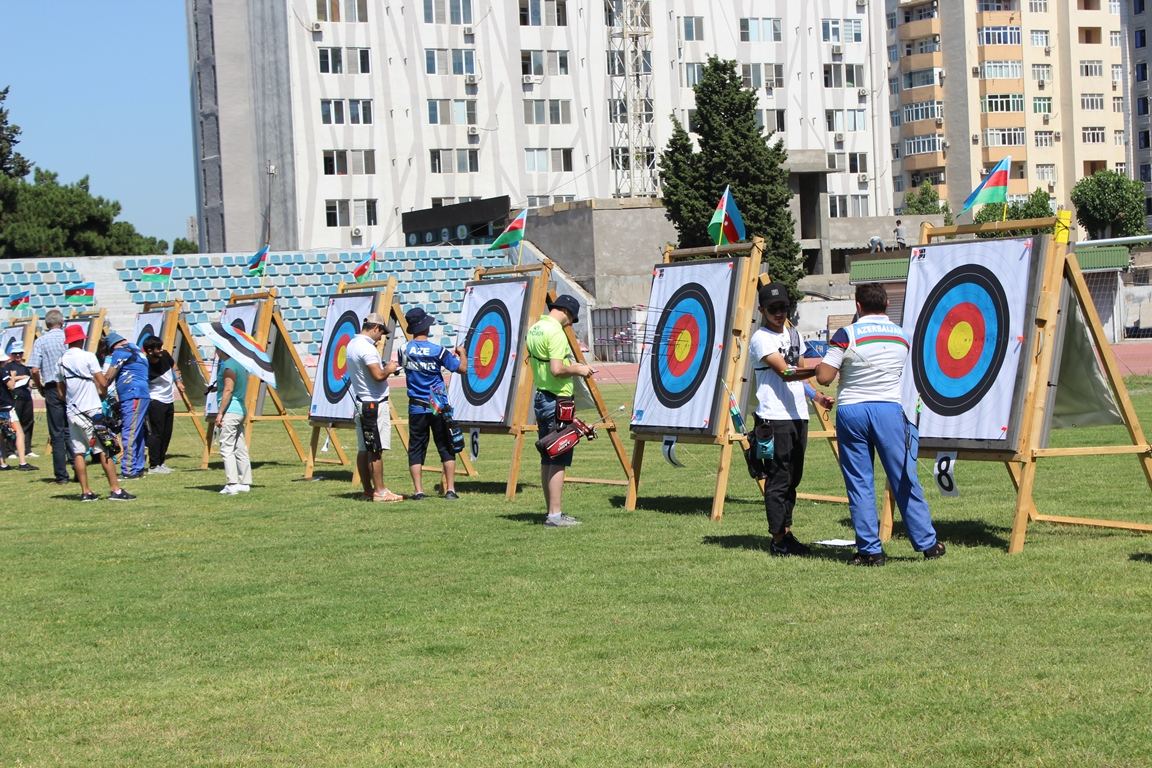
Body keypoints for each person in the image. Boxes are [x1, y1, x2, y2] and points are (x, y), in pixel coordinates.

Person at [816, 283, 945, 565]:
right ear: (887, 304)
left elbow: (825, 377)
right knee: (903, 477)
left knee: (859, 482)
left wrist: (818, 366)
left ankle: (870, 550)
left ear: (858, 306)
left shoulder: (846, 334)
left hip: (852, 411)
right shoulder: (902, 336)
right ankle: (928, 543)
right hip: (888, 408)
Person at [748, 283, 833, 556]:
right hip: (774, 418)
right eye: (773, 308)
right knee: (778, 479)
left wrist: (817, 397)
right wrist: (820, 370)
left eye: (784, 307)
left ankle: (787, 532)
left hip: (797, 416)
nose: (779, 313)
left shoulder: (794, 334)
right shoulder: (760, 338)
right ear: (762, 310)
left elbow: (801, 377)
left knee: (793, 479)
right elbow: (786, 373)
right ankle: (777, 539)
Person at [525, 294, 594, 527]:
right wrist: (578, 369)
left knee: (547, 456)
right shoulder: (555, 332)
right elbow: (556, 369)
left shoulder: (536, 328)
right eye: (571, 319)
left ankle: (551, 512)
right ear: (566, 311)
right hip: (557, 400)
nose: (570, 324)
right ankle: (554, 515)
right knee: (558, 456)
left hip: (542, 397)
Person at [58, 324, 134, 501]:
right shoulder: (88, 356)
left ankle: (86, 492)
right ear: (80, 339)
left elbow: (61, 392)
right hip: (92, 410)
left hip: (73, 411)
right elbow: (104, 382)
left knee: (78, 452)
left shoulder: (61, 361)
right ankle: (115, 490)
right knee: (105, 450)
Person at [399, 307, 467, 500]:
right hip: (438, 406)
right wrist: (462, 353)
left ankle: (418, 491)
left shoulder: (403, 349)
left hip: (416, 407)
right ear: (426, 327)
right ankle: (450, 490)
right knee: (446, 446)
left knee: (416, 448)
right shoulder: (439, 351)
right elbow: (461, 369)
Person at [346, 312, 402, 502]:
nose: (381, 337)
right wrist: (390, 368)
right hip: (374, 404)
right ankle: (380, 491)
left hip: (362, 401)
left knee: (364, 449)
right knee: (375, 450)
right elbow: (378, 375)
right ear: (375, 328)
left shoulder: (352, 344)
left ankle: (368, 490)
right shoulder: (367, 348)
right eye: (381, 333)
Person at [29, 309, 73, 484]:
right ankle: (79, 467)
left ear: (47, 324)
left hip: (52, 387)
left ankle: (61, 476)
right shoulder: (67, 339)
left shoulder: (41, 341)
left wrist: (40, 387)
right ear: (61, 323)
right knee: (72, 429)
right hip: (70, 385)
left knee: (57, 432)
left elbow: (34, 369)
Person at [103, 332, 152, 479]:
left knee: (129, 431)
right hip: (141, 394)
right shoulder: (137, 350)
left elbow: (108, 377)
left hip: (132, 394)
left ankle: (129, 470)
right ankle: (137, 466)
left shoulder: (120, 351)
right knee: (137, 432)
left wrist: (99, 383)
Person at [143, 335, 183, 474]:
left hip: (168, 400)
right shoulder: (145, 364)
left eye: (161, 347)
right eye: (157, 348)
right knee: (157, 433)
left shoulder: (165, 355)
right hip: (155, 401)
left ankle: (161, 462)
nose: (161, 350)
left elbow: (174, 366)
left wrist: (178, 381)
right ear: (149, 351)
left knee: (167, 433)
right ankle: (154, 465)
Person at [214, 347, 252, 495]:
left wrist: (220, 413)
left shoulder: (229, 366)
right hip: (240, 410)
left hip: (231, 410)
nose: (216, 352)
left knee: (226, 447)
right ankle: (245, 482)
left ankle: (232, 483)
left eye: (217, 349)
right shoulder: (240, 364)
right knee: (239, 446)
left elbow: (228, 390)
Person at [0, 357, 36, 472]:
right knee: (19, 432)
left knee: (1, 435)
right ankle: (22, 462)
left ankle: (2, 463)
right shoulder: (3, 370)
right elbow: (11, 385)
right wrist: (14, 377)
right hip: (6, 407)